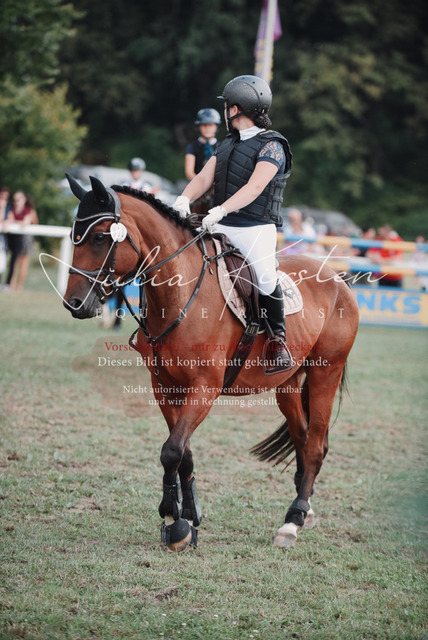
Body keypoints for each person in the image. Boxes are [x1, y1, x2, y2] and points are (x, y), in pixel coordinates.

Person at [173, 74, 294, 372]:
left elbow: (255, 187)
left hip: (255, 229)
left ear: (236, 109)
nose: (225, 111)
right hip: (220, 224)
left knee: (265, 277)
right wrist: (183, 199)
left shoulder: (273, 146)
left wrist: (220, 210)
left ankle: (278, 342)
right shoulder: (227, 144)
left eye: (226, 106)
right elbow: (204, 177)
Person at [6, 191, 38, 290]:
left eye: (18, 199)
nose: (16, 202)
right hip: (15, 238)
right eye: (15, 200)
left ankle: (19, 285)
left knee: (23, 262)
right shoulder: (12, 210)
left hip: (26, 238)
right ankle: (11, 284)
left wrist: (14, 222)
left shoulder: (30, 211)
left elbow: (28, 223)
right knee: (14, 262)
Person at [185, 108, 221, 180]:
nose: (207, 128)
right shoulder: (192, 147)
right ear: (199, 127)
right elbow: (189, 172)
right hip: (196, 183)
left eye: (210, 125)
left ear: (216, 126)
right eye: (204, 125)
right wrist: (202, 184)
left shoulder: (222, 147)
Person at [0, 187, 11, 285]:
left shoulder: (8, 207)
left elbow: (9, 218)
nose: (3, 198)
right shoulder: (4, 206)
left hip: (1, 239)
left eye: (6, 197)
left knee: (1, 262)